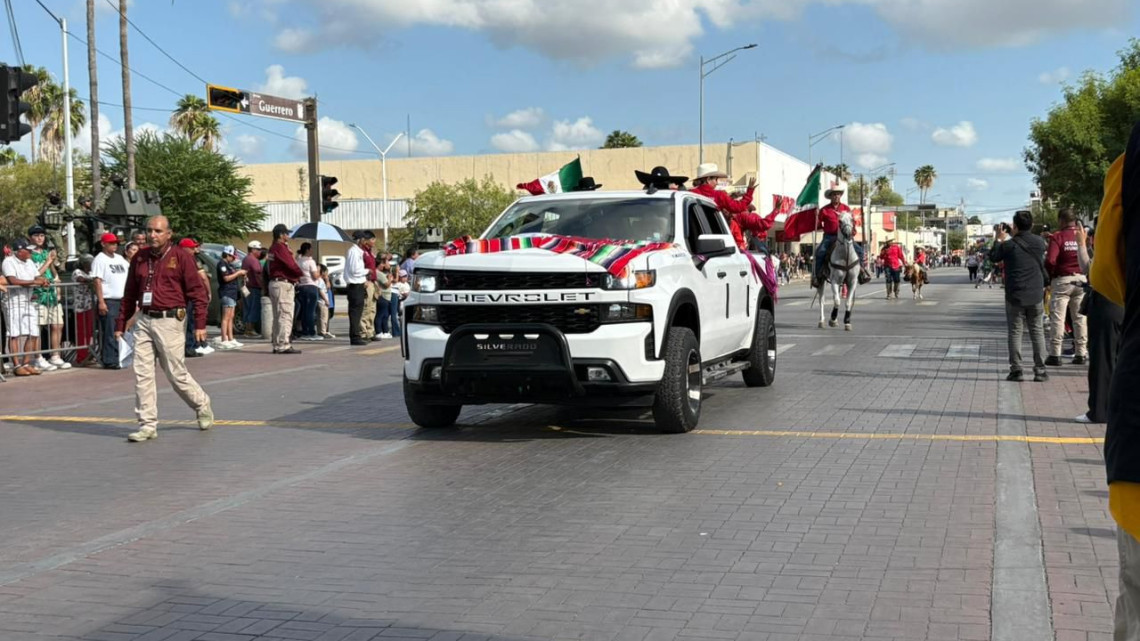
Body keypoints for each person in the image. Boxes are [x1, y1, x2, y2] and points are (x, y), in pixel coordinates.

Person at [114, 215, 213, 442]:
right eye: (149, 231)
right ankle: (147, 424)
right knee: (142, 374)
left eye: (158, 231)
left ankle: (201, 403)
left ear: (169, 234)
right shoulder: (140, 257)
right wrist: (121, 323)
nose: (152, 235)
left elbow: (197, 294)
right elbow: (129, 293)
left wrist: (200, 324)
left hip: (170, 321)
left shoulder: (180, 257)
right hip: (144, 320)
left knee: (175, 373)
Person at [990, 210, 1049, 382]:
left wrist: (999, 238)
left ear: (1014, 226)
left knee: (1016, 332)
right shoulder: (1040, 242)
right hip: (1036, 293)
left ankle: (1016, 370)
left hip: (1015, 294)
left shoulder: (1008, 245)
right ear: (1031, 225)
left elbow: (993, 257)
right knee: (1037, 331)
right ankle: (1040, 370)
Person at [689, 163, 773, 252]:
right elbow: (738, 207)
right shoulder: (719, 195)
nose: (717, 182)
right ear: (708, 179)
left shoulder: (690, 194)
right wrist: (749, 191)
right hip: (715, 240)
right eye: (716, 179)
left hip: (692, 240)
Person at [1044, 207, 1089, 366]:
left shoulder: (1057, 237)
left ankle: (1055, 355)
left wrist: (1051, 276)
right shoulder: (1082, 234)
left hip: (1062, 281)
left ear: (1061, 221)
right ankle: (1081, 353)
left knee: (1058, 318)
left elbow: (1050, 260)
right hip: (1081, 280)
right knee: (1080, 318)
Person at [27, 225, 69, 371]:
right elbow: (35, 274)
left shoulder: (46, 252)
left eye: (42, 235)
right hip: (38, 294)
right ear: (30, 237)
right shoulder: (28, 254)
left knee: (57, 324)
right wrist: (48, 262)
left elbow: (53, 272)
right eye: (36, 235)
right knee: (37, 327)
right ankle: (38, 357)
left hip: (51, 293)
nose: (40, 238)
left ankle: (55, 355)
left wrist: (57, 285)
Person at [1, 238, 46, 376]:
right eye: (28, 250)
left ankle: (26, 363)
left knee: (33, 332)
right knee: (14, 333)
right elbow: (13, 280)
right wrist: (33, 282)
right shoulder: (9, 262)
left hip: (28, 300)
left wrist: (42, 281)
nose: (31, 252)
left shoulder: (30, 262)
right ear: (20, 251)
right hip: (13, 301)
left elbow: (38, 277)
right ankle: (16, 365)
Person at [811, 188, 867, 288]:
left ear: (840, 196)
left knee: (860, 251)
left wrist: (853, 231)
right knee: (820, 252)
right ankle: (818, 276)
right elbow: (818, 224)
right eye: (834, 194)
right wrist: (816, 216)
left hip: (845, 237)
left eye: (838, 194)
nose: (836, 196)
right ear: (830, 197)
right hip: (830, 237)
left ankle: (862, 272)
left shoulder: (846, 208)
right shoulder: (824, 210)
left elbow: (852, 222)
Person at [90, 232, 130, 369]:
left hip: (122, 299)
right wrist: (101, 301)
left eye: (116, 243)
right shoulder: (99, 260)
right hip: (109, 300)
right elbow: (97, 281)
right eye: (111, 243)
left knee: (122, 330)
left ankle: (121, 356)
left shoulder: (119, 258)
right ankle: (109, 359)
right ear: (103, 244)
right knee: (110, 331)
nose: (115, 246)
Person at [266, 224, 304, 354]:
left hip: (275, 283)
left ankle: (277, 343)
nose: (288, 236)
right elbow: (291, 265)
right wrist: (300, 274)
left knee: (278, 315)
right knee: (285, 314)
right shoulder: (280, 248)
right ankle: (283, 344)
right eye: (286, 234)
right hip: (283, 284)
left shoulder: (272, 248)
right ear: (281, 235)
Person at [179, 239, 213, 357]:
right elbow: (202, 277)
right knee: (189, 323)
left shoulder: (188, 259)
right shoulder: (190, 260)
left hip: (186, 296)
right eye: (192, 248)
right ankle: (189, 347)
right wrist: (208, 292)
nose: (195, 250)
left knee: (188, 323)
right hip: (187, 297)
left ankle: (190, 346)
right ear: (185, 249)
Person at [215, 245, 246, 349]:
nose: (233, 259)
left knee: (231, 316)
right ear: (228, 254)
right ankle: (224, 339)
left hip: (232, 293)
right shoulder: (222, 264)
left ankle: (231, 338)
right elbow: (226, 278)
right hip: (226, 292)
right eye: (232, 256)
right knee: (226, 317)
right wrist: (238, 273)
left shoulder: (229, 265)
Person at [344, 231, 369, 346]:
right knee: (355, 313)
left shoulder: (358, 252)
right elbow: (354, 270)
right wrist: (367, 271)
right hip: (355, 286)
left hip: (358, 285)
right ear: (359, 240)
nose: (365, 241)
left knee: (357, 313)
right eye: (364, 239)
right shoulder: (354, 252)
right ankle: (355, 337)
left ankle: (356, 335)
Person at [295, 242, 322, 341]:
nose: (312, 251)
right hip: (311, 286)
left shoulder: (298, 261)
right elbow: (315, 276)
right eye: (311, 249)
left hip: (301, 287)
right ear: (307, 250)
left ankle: (304, 331)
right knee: (310, 311)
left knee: (304, 311)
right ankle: (311, 332)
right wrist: (319, 270)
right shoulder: (311, 262)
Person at [241, 240, 264, 337]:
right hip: (253, 287)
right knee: (253, 308)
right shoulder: (252, 260)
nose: (260, 252)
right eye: (258, 249)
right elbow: (258, 273)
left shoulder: (247, 259)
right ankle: (250, 330)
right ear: (253, 249)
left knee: (248, 308)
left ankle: (248, 329)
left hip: (248, 287)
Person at [360, 232, 380, 341]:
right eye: (372, 240)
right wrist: (365, 280)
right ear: (366, 240)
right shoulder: (362, 252)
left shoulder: (370, 252)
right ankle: (363, 332)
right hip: (366, 282)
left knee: (372, 309)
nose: (373, 242)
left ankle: (370, 331)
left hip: (373, 282)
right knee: (366, 308)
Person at [317, 264, 335, 339]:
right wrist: (326, 300)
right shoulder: (320, 280)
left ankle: (323, 331)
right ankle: (322, 332)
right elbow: (321, 290)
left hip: (323, 301)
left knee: (324, 317)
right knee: (323, 317)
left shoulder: (321, 280)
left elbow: (327, 288)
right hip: (322, 301)